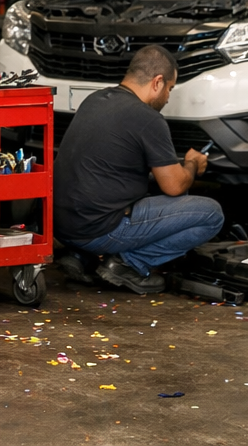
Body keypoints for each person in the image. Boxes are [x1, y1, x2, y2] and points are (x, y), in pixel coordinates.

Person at [53, 44, 224, 294]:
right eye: (169, 89)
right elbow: (174, 186)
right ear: (157, 82)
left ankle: (80, 256)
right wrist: (191, 164)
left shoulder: (95, 100)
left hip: (62, 227)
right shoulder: (148, 118)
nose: (167, 97)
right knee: (211, 214)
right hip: (97, 231)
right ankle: (129, 264)